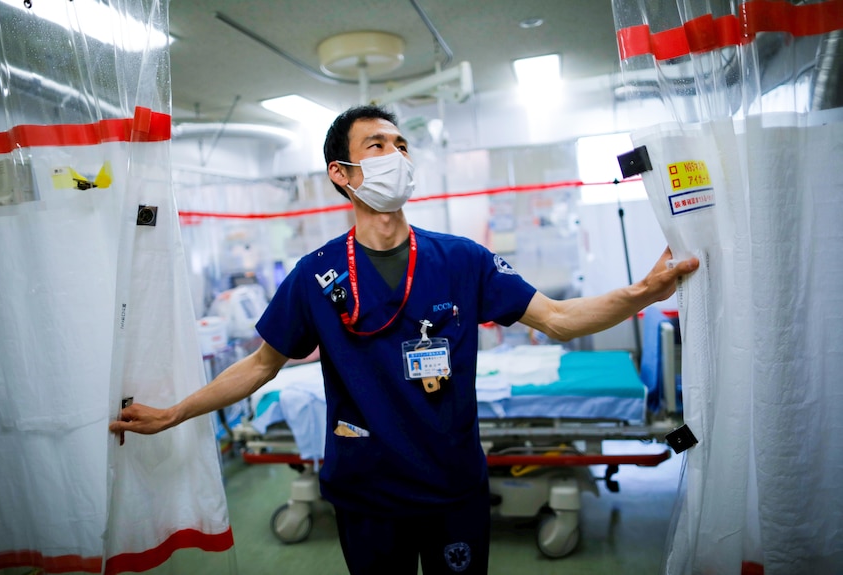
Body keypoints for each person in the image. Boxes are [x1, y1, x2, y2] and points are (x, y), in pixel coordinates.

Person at [110, 105, 699, 574]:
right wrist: (176, 413)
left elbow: (560, 318)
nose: (397, 154)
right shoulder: (314, 275)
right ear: (342, 174)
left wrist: (643, 293)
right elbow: (262, 365)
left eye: (401, 145)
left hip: (453, 487)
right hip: (367, 494)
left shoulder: (461, 260)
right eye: (378, 146)